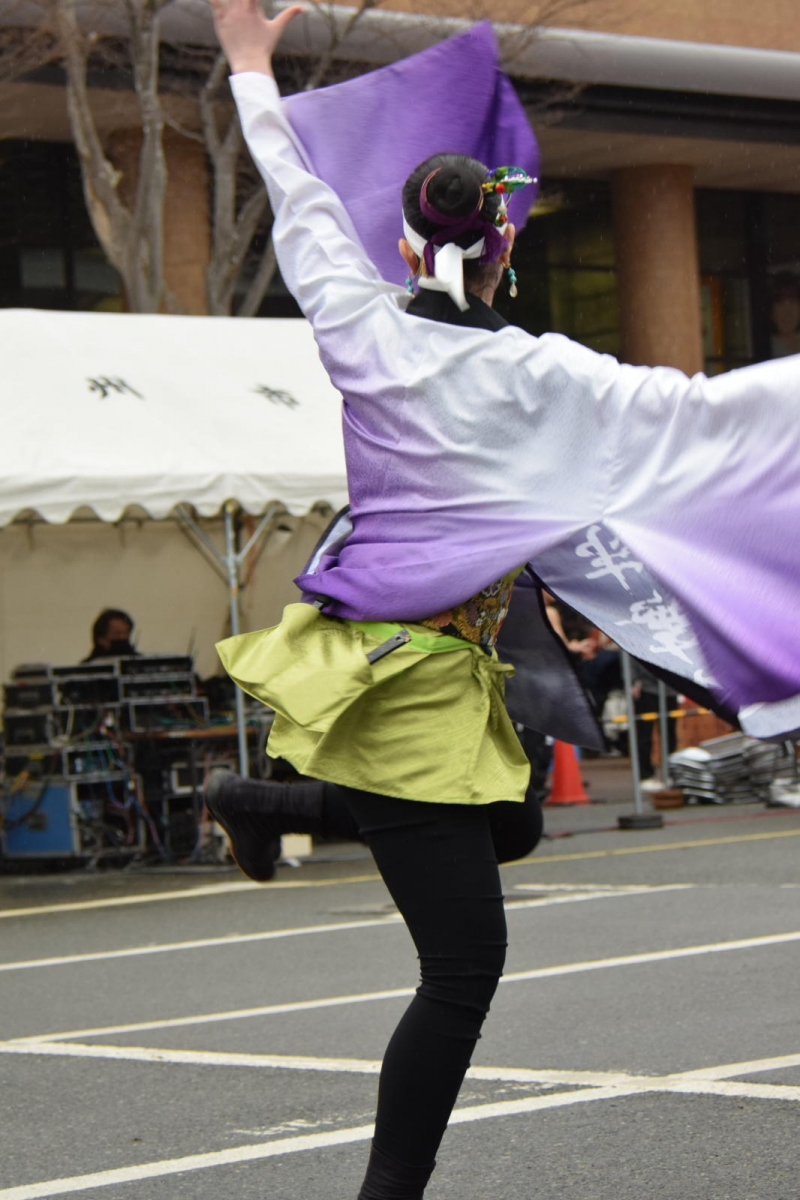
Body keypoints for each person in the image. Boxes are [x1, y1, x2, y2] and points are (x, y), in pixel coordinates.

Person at [207, 3, 800, 1197]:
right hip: (410, 682)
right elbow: (707, 416)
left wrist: (248, 69)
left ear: (402, 244)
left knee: (516, 823)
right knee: (463, 966)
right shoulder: (544, 374)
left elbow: (297, 198)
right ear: (503, 247)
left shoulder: (359, 326)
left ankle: (260, 799)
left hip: (396, 655)